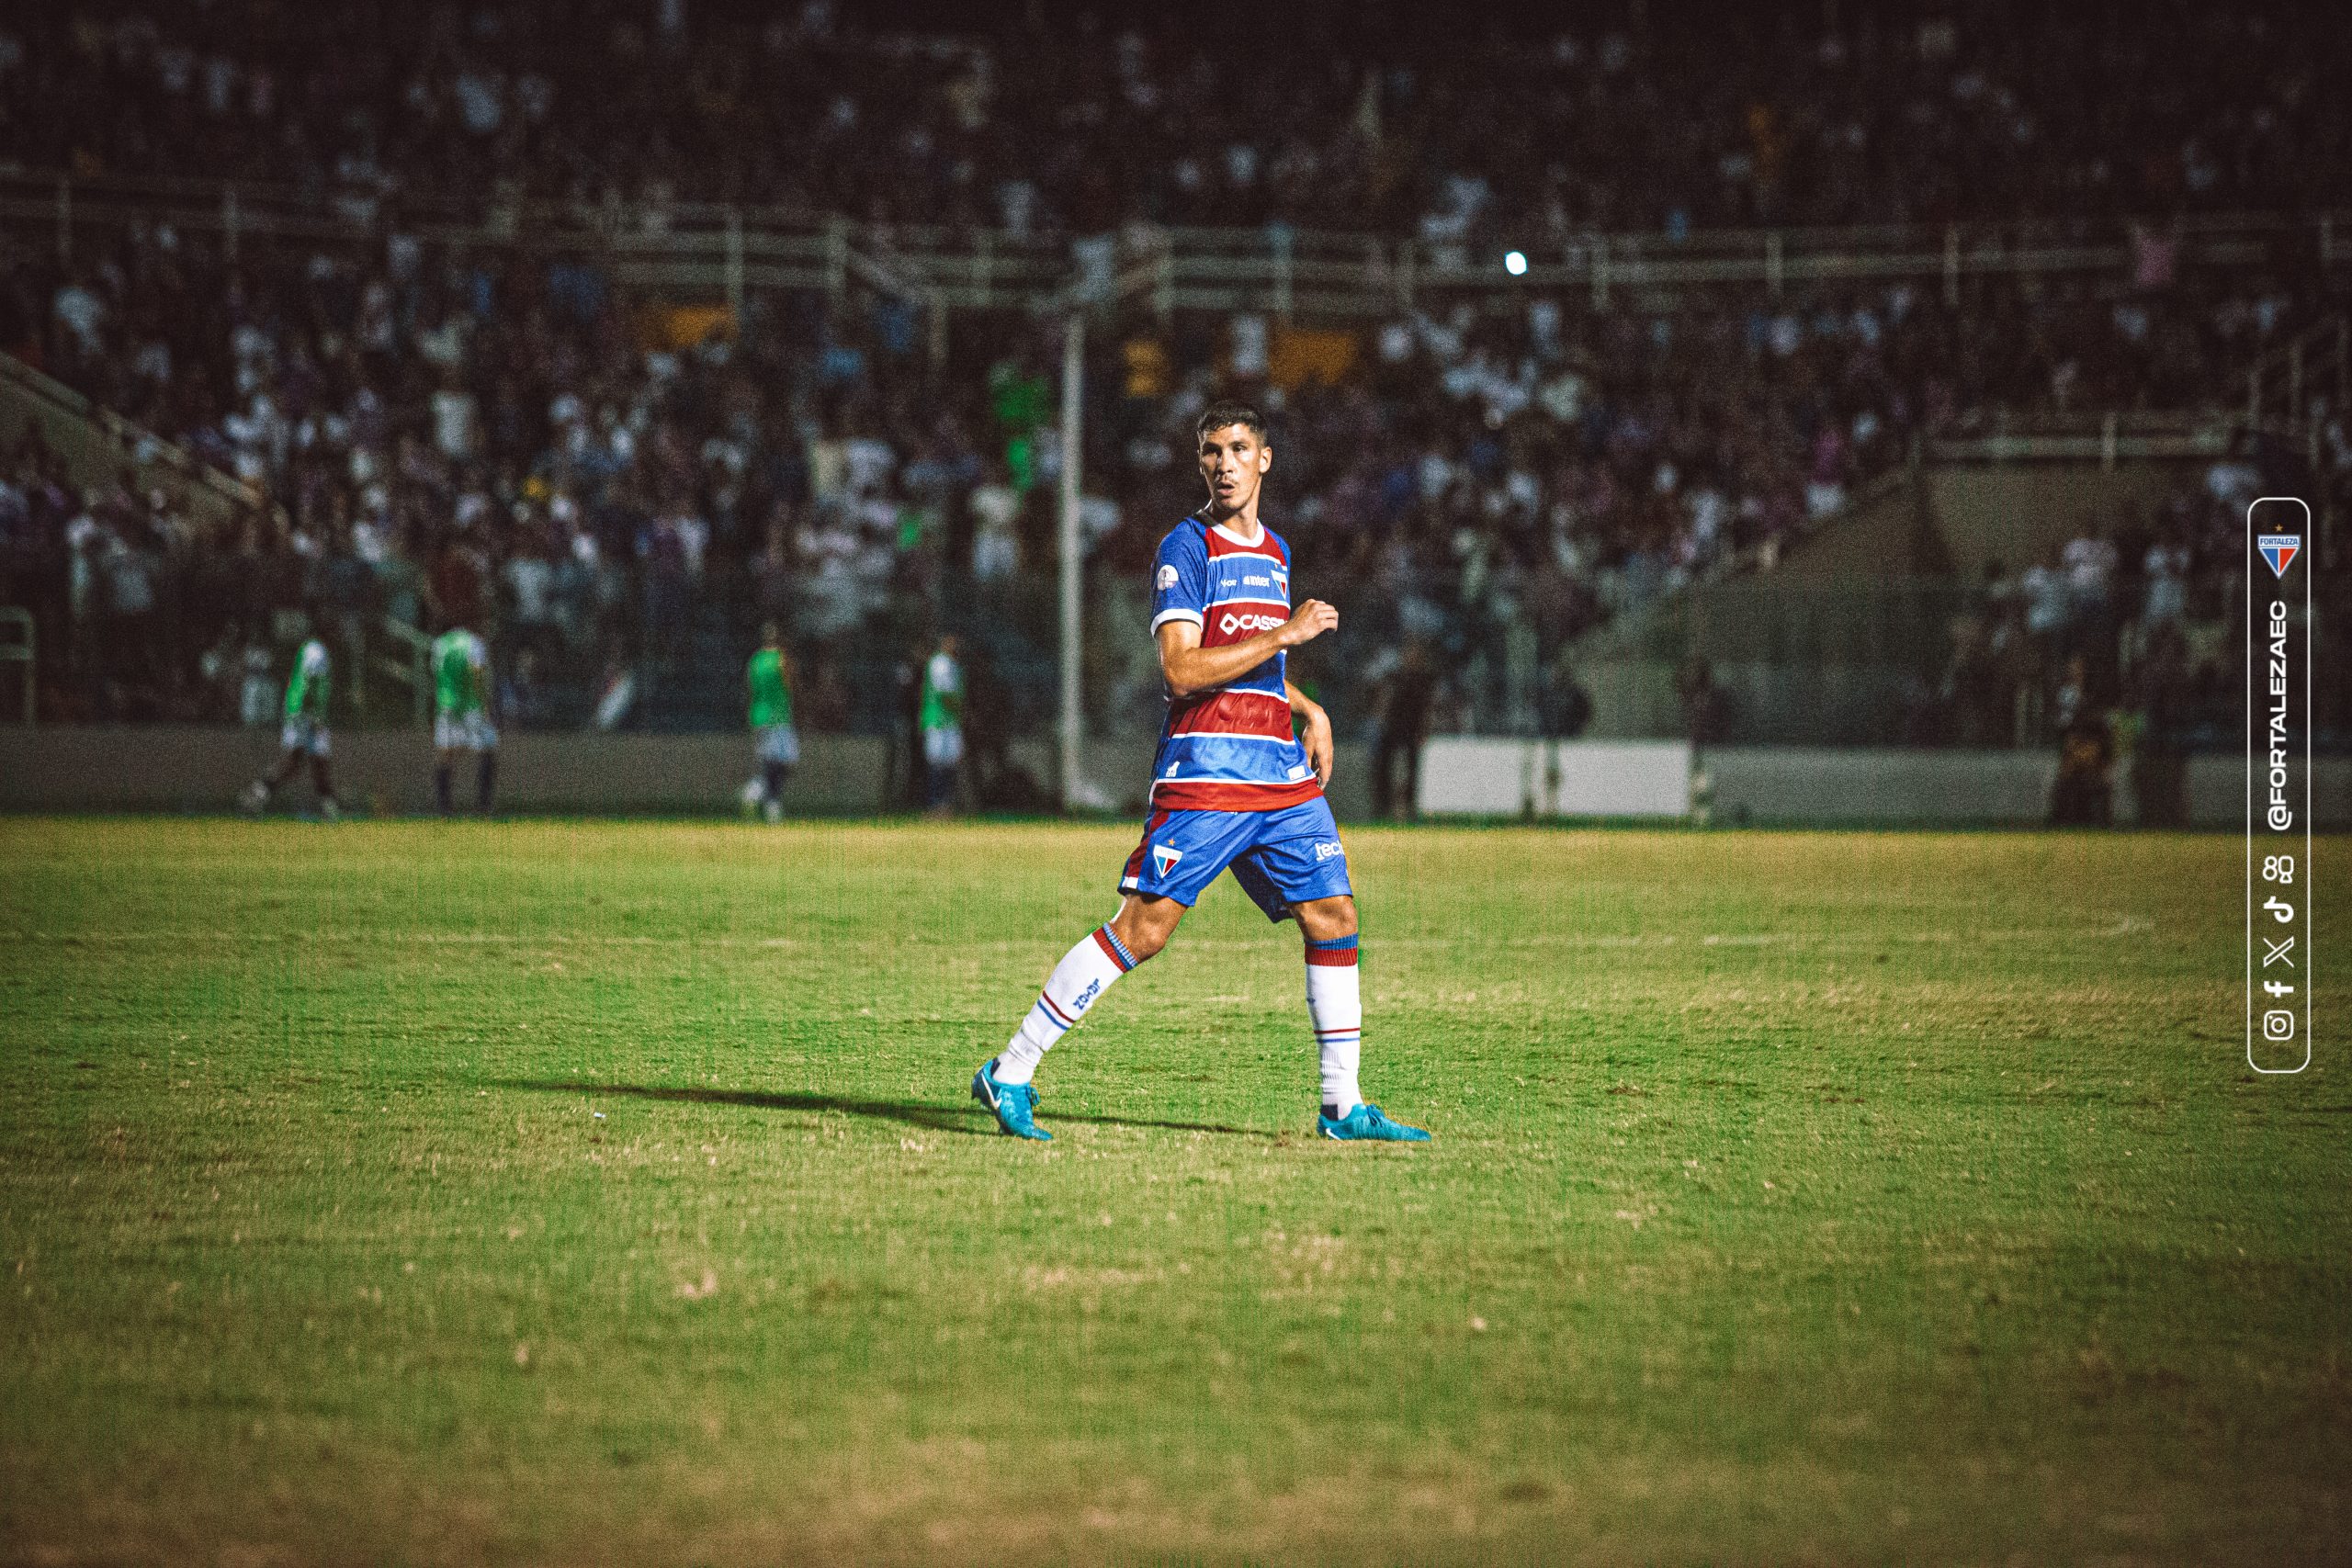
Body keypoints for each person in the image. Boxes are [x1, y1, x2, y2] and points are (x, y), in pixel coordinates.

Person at [969, 400, 1430, 1144]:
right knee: (1143, 930)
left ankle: (1342, 1107)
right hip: (1208, 766)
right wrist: (1288, 632)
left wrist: (1307, 706)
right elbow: (1184, 669)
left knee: (1333, 915)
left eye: (1238, 448)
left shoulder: (1275, 551)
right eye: (1212, 450)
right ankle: (1011, 1069)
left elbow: (1256, 664)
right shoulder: (1185, 549)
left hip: (1277, 771)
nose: (1224, 463)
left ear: (1265, 459)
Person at [241, 628, 340, 819]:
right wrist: (310, 714)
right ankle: (257, 795)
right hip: (303, 712)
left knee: (317, 760)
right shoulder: (316, 650)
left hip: (304, 711)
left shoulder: (313, 648)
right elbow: (308, 681)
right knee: (295, 759)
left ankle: (329, 807)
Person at [431, 624, 499, 815]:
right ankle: (483, 806)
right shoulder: (474, 643)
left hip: (446, 703)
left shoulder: (440, 643)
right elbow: (476, 670)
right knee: (487, 750)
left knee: (445, 753)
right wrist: (484, 699)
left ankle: (444, 807)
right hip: (471, 704)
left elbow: (437, 673)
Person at [744, 622, 799, 824]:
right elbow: (790, 683)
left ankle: (762, 794)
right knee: (785, 760)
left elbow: (750, 688)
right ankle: (763, 795)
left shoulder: (755, 660)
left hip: (759, 715)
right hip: (779, 717)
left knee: (769, 760)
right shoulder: (781, 660)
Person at [919, 633, 965, 813]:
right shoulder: (941, 663)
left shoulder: (952, 664)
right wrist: (963, 708)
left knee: (949, 762)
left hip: (950, 720)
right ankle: (935, 804)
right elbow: (945, 693)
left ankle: (945, 804)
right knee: (937, 762)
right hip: (938, 719)